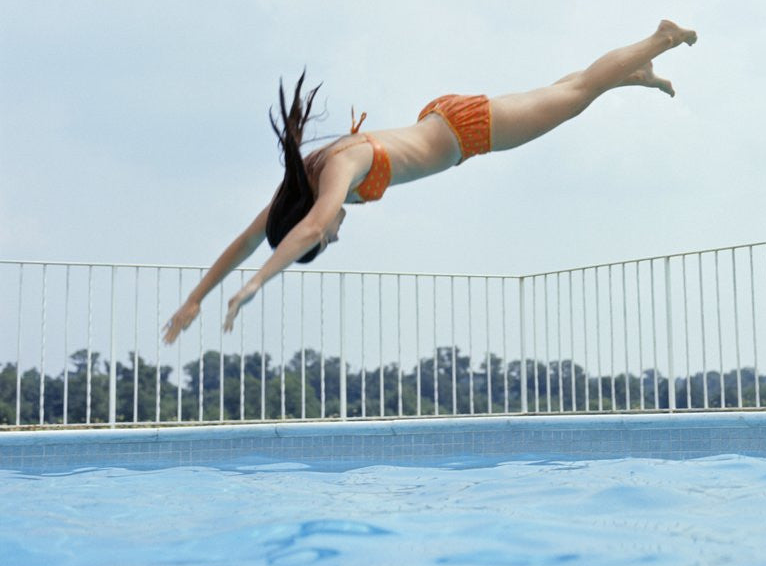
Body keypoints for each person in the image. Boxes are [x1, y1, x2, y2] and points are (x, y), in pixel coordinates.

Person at [162, 20, 697, 343]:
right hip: (444, 119)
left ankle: (660, 38)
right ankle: (631, 73)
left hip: (468, 132)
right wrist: (196, 299)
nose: (334, 233)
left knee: (575, 94)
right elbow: (248, 239)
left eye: (327, 238)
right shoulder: (305, 179)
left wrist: (255, 285)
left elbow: (301, 232)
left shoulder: (331, 182)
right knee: (557, 98)